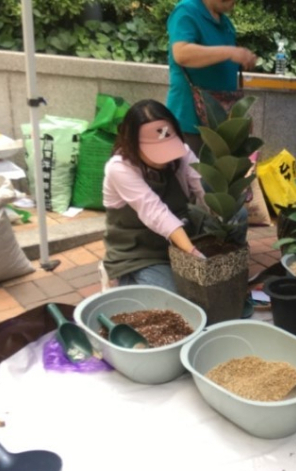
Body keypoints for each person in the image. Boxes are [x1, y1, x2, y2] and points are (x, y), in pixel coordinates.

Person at [102, 99, 213, 292]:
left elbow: (202, 185)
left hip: (179, 237)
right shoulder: (119, 168)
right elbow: (155, 212)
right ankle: (121, 277)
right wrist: (194, 254)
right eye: (155, 151)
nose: (166, 157)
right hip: (139, 251)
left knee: (239, 217)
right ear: (132, 142)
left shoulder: (181, 152)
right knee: (172, 298)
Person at [166, 0, 257, 155]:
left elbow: (223, 77)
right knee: (191, 177)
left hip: (220, 127)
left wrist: (239, 118)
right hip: (190, 124)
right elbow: (182, 54)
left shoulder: (225, 23)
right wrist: (230, 52)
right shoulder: (186, 11)